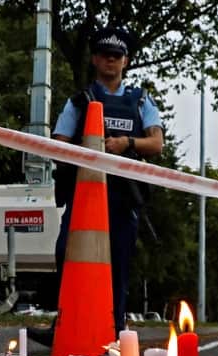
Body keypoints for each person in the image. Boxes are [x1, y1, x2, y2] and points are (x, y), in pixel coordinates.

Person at [51, 26, 164, 339]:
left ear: (125, 60)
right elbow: (58, 143)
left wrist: (126, 143)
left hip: (122, 199)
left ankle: (114, 331)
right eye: (105, 55)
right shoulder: (80, 101)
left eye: (117, 56)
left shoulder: (141, 101)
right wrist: (91, 147)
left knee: (119, 265)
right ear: (95, 59)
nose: (111, 61)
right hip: (84, 197)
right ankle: (62, 323)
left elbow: (156, 144)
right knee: (66, 255)